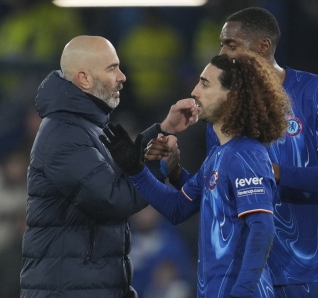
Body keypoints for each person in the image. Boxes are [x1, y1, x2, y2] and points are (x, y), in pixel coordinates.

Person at [144, 7, 318, 297]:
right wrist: (177, 173)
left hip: (311, 268)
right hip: (254, 276)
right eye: (221, 44)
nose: (222, 52)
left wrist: (269, 172)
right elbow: (217, 189)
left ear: (263, 46)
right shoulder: (224, 115)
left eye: (231, 44)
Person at [99, 53, 291, 298]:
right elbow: (177, 208)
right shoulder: (219, 155)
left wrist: (240, 293)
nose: (195, 91)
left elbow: (262, 227)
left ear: (232, 97)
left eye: (205, 83)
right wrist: (136, 168)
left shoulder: (247, 155)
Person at [21, 35, 198, 298]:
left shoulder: (84, 125)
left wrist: (162, 130)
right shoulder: (63, 133)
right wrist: (157, 165)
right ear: (84, 79)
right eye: (112, 68)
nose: (122, 76)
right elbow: (115, 197)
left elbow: (119, 170)